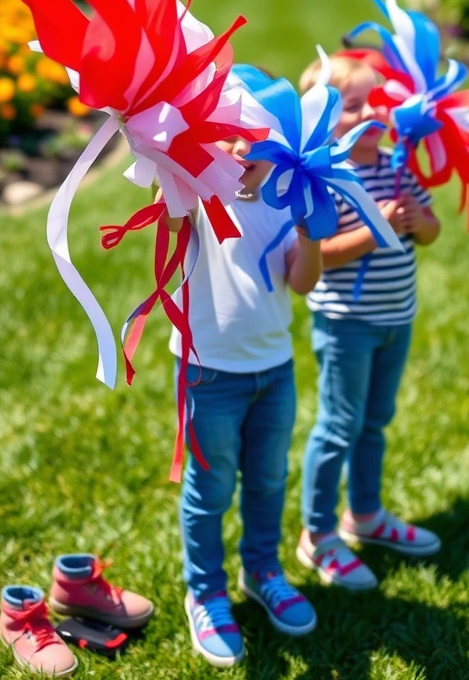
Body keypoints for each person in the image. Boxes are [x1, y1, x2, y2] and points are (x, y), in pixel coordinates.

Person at [165, 124, 322, 668]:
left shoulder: (284, 201)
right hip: (210, 374)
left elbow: (300, 283)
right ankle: (205, 592)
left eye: (256, 138)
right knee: (209, 488)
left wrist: (313, 235)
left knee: (268, 479)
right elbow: (166, 201)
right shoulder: (197, 196)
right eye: (227, 136)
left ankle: (262, 572)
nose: (240, 150)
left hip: (274, 371)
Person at [295, 54, 441, 592]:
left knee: (375, 421)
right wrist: (378, 224)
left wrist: (420, 220)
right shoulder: (329, 178)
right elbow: (321, 253)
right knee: (338, 426)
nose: (371, 113)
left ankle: (366, 514)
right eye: (353, 107)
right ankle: (317, 534)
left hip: (395, 317)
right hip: (346, 323)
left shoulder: (397, 165)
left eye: (374, 100)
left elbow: (430, 231)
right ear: (323, 124)